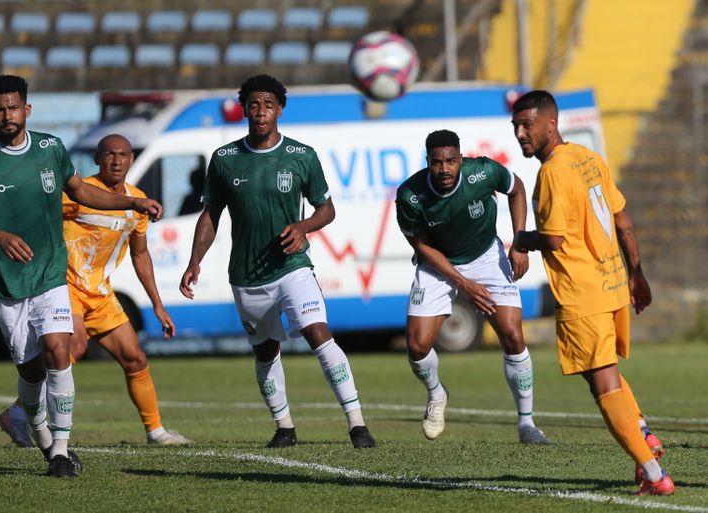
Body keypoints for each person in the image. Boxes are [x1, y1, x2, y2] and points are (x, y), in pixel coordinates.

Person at [0, 75, 162, 477]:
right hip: (6, 283)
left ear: (27, 109)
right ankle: (45, 441)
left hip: (51, 274)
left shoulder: (50, 149)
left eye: (14, 107)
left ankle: (62, 451)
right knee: (30, 372)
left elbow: (83, 192)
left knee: (60, 352)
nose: (7, 115)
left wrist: (132, 202)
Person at [178, 74, 375, 449]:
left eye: (268, 105)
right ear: (244, 109)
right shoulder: (225, 160)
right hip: (247, 275)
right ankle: (284, 427)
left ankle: (357, 424)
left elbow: (326, 208)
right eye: (254, 104)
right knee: (266, 351)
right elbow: (210, 216)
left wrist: (303, 227)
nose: (261, 112)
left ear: (280, 109)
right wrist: (194, 262)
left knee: (319, 334)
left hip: (293, 267)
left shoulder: (302, 156)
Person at [511, 90, 675, 496]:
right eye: (515, 126)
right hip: (613, 284)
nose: (519, 134)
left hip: (583, 293)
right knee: (600, 372)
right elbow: (623, 220)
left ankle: (654, 475)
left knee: (604, 386)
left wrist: (520, 240)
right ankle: (645, 434)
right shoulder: (588, 157)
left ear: (551, 124)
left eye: (527, 125)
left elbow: (552, 239)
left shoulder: (552, 172)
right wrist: (636, 273)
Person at [0, 134, 190, 448]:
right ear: (98, 159)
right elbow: (39, 219)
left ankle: (156, 432)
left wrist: (157, 305)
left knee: (135, 358)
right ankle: (21, 414)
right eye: (109, 154)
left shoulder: (137, 200)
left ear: (131, 159)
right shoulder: (79, 192)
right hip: (65, 285)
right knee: (75, 347)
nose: (116, 160)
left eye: (123, 154)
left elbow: (140, 254)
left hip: (99, 294)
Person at [395, 129, 550, 444]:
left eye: (451, 161)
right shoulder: (410, 195)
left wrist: (519, 242)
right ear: (428, 162)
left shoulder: (482, 172)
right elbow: (421, 246)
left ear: (460, 159)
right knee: (417, 346)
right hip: (438, 265)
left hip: (486, 257)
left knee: (512, 333)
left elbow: (517, 188)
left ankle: (527, 425)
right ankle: (437, 393)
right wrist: (464, 283)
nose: (444, 169)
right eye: (437, 163)